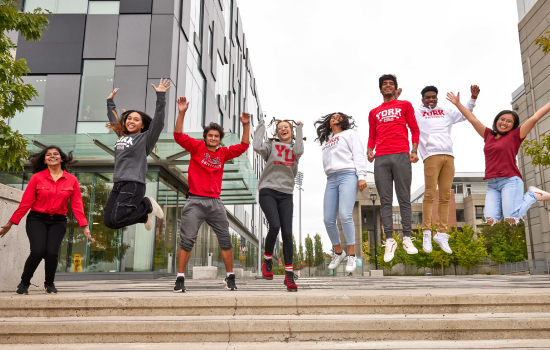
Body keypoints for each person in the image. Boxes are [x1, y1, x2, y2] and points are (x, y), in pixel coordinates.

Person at [172, 97, 250, 292]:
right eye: (210, 135)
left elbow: (243, 146)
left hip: (215, 203)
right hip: (195, 201)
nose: (213, 138)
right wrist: (181, 112)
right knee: (187, 239)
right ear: (205, 136)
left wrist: (246, 125)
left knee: (225, 239)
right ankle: (180, 278)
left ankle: (230, 277)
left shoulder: (222, 153)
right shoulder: (196, 148)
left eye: (216, 136)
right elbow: (178, 135)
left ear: (220, 138)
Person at [446, 91, 550, 227]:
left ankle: (533, 195)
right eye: (502, 119)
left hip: (510, 180)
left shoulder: (516, 135)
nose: (504, 123)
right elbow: (473, 119)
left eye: (509, 121)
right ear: (496, 121)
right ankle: (508, 208)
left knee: (512, 218)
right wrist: (458, 103)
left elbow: (534, 118)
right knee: (491, 219)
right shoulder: (488, 135)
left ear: (513, 125)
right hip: (492, 184)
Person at [0, 147, 94, 295]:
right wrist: (10, 224)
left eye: (55, 154)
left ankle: (49, 284)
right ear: (44, 160)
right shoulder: (37, 178)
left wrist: (85, 226)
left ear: (61, 158)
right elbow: (26, 203)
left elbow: (77, 205)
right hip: (37, 219)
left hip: (58, 220)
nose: (52, 156)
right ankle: (24, 283)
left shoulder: (72, 180)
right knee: (37, 251)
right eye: (48, 155)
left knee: (51, 253)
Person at [414, 85, 480, 254]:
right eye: (427, 97)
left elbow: (465, 115)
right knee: (429, 193)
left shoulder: (446, 111)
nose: (431, 100)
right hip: (431, 155)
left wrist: (472, 98)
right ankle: (427, 233)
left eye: (433, 97)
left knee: (445, 196)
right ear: (423, 100)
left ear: (437, 98)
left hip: (448, 155)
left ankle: (442, 234)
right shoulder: (417, 113)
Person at [103, 79, 170, 232]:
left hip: (133, 183)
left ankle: (148, 204)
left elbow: (158, 122)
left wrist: (160, 97)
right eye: (129, 118)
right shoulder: (122, 135)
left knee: (118, 217)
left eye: (136, 119)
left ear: (143, 125)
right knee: (109, 221)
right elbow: (113, 120)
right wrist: (110, 102)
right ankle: (145, 216)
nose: (131, 121)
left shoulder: (145, 139)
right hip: (118, 182)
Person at [367, 74, 420, 263]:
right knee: (385, 201)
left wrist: (414, 150)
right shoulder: (374, 112)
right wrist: (369, 150)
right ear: (380, 89)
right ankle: (389, 240)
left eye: (391, 84)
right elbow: (372, 135)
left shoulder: (404, 105)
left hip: (401, 154)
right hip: (381, 158)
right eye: (384, 84)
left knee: (404, 198)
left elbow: (414, 128)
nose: (387, 86)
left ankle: (407, 237)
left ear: (395, 88)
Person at [254, 117, 304, 291]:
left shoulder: (296, 150)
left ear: (291, 130)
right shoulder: (271, 146)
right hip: (268, 190)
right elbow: (256, 146)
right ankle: (267, 260)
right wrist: (261, 126)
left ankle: (289, 275)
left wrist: (300, 129)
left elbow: (299, 148)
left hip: (286, 194)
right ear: (277, 132)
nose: (283, 129)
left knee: (288, 234)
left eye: (286, 127)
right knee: (274, 225)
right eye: (280, 127)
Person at [314, 112, 368, 273]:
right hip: (331, 178)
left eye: (339, 116)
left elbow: (358, 154)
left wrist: (361, 176)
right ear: (329, 124)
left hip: (348, 175)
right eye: (332, 117)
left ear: (344, 121)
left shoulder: (350, 134)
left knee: (345, 215)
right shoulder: (328, 141)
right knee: (328, 218)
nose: (335, 117)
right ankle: (339, 252)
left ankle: (351, 254)